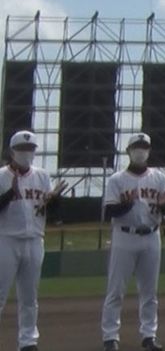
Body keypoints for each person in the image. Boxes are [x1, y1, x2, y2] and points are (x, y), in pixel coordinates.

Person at [100, 133, 165, 351]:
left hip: (152, 235)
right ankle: (110, 337)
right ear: (128, 151)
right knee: (115, 290)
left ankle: (149, 335)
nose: (140, 151)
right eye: (136, 147)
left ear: (149, 151)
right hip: (124, 236)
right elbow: (110, 210)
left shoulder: (159, 178)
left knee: (149, 291)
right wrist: (127, 204)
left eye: (144, 147)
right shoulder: (117, 180)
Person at [0, 131, 64, 351]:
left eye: (30, 150)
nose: (27, 154)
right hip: (6, 239)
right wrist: (9, 194)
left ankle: (28, 341)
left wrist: (54, 202)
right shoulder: (1, 176)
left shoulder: (42, 176)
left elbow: (50, 212)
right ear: (12, 151)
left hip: (35, 239)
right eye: (22, 150)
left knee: (29, 296)